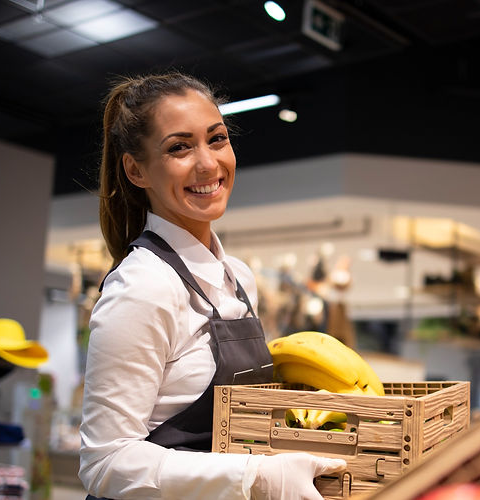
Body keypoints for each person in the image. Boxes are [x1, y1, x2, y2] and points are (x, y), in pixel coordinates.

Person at [78, 72, 346, 499]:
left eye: (216, 139)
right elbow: (104, 462)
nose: (207, 163)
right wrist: (257, 477)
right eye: (179, 147)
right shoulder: (143, 286)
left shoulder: (239, 279)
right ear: (136, 169)